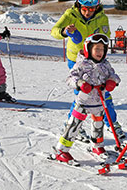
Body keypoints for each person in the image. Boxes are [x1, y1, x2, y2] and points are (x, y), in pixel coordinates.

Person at [51, 0, 125, 139]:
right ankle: (72, 125)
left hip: (96, 59)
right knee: (82, 94)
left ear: (97, 6)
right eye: (85, 9)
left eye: (91, 9)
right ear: (79, 4)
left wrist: (95, 42)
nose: (88, 12)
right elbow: (54, 31)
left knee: (103, 93)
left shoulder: (102, 17)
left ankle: (111, 123)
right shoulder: (70, 14)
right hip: (77, 59)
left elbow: (105, 36)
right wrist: (65, 31)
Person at [51, 33, 121, 163]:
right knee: (74, 125)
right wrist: (80, 83)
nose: (100, 52)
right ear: (89, 49)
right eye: (97, 49)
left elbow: (115, 76)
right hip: (83, 102)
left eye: (102, 49)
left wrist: (112, 81)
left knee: (98, 125)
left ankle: (97, 146)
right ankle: (61, 150)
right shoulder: (82, 64)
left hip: (99, 102)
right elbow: (70, 78)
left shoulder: (105, 65)